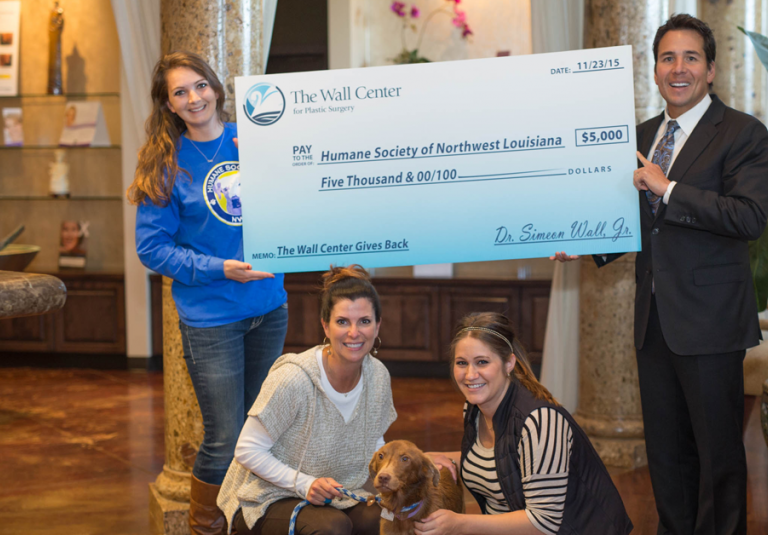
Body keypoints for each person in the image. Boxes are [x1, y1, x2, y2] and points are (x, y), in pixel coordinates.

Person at [553, 14, 768, 535]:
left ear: (711, 70)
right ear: (654, 71)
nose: (679, 69)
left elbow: (747, 217)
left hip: (711, 325)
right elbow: (631, 222)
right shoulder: (643, 135)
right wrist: (583, 245)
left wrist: (668, 187)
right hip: (653, 323)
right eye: (668, 58)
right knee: (668, 457)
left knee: (718, 459)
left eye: (691, 58)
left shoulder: (743, 133)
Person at [129, 51, 289, 535]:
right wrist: (218, 268)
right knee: (223, 436)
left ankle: (252, 521)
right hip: (211, 317)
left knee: (261, 430)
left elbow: (295, 199)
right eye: (180, 92)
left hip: (269, 307)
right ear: (170, 105)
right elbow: (151, 248)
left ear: (216, 88)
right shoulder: (165, 163)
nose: (194, 98)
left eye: (200, 85)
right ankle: (207, 527)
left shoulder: (255, 141)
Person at [417, 313, 633, 535]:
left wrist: (459, 524)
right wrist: (425, 458)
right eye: (461, 363)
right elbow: (500, 460)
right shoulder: (474, 409)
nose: (470, 375)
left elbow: (543, 523)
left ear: (508, 362)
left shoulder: (540, 421)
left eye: (482, 362)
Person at [218, 265, 395, 535]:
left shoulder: (378, 376)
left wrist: (414, 463)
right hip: (266, 497)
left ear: (378, 324)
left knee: (384, 519)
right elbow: (246, 450)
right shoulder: (294, 378)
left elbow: (374, 440)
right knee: (331, 528)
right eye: (342, 321)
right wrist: (304, 484)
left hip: (336, 495)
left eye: (364, 321)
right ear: (325, 324)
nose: (354, 332)